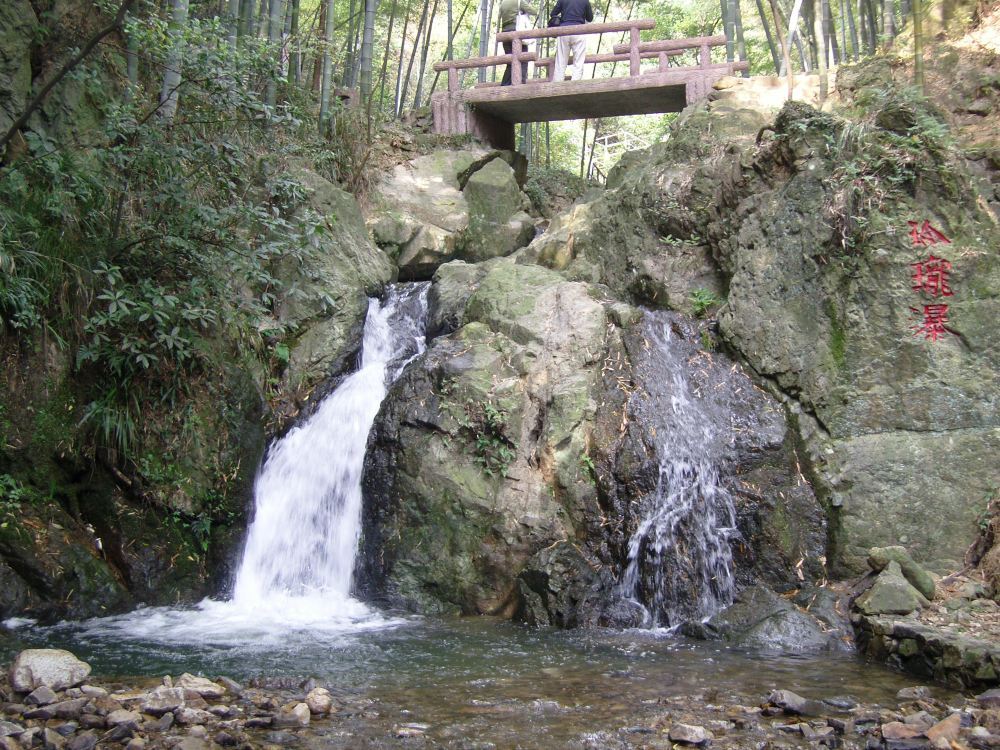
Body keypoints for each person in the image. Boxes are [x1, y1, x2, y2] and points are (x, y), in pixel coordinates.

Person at [549, 0, 593, 82]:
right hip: (579, 31)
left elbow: (552, 14)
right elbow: (590, 18)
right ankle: (575, 86)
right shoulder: (585, 1)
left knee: (560, 61)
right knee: (578, 62)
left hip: (564, 31)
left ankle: (557, 86)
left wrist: (563, 18)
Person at [498, 0, 538, 86]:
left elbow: (499, 16)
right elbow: (534, 12)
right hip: (517, 33)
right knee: (522, 59)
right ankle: (520, 83)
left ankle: (505, 85)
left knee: (510, 61)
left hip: (505, 34)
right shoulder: (519, 2)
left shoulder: (503, 3)